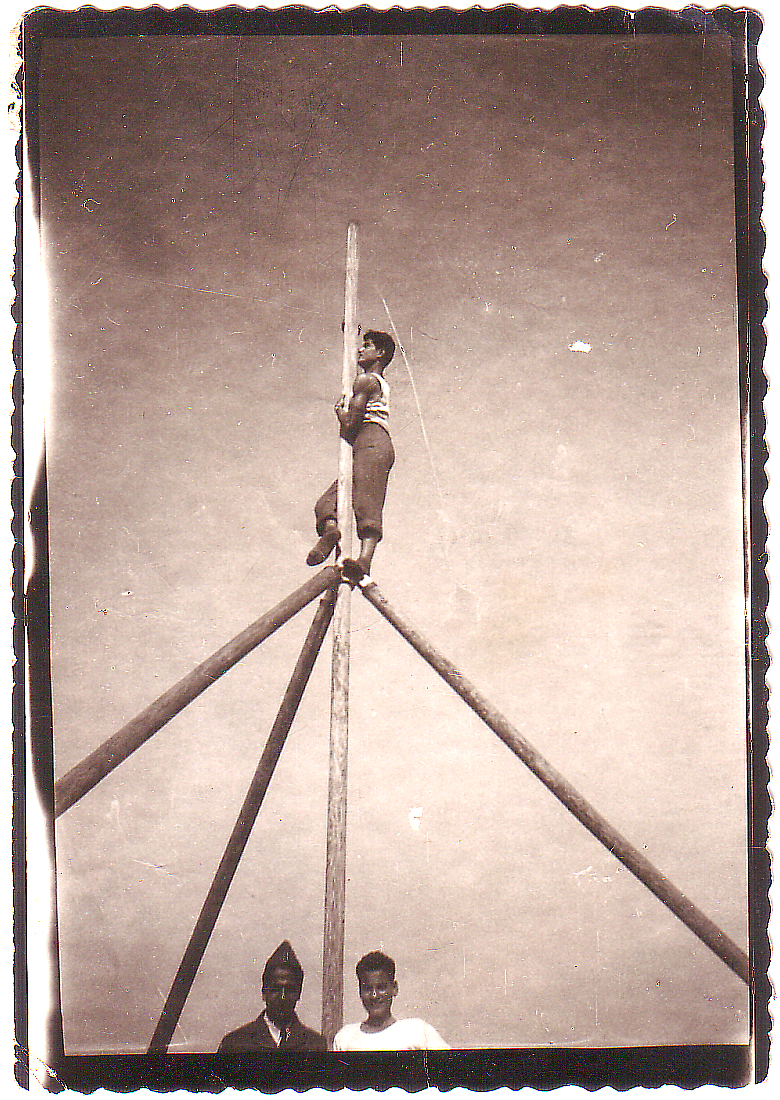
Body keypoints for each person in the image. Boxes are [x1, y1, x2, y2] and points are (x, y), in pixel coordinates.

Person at [307, 330, 396, 581]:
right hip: (365, 444)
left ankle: (364, 561)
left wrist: (340, 414)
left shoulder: (366, 381)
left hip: (373, 440)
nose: (360, 349)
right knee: (327, 503)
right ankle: (331, 532)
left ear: (380, 353)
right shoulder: (375, 382)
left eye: (367, 346)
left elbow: (352, 423)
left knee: (368, 501)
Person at [218, 941, 326, 1052]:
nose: (283, 997)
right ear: (264, 992)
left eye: (290, 989)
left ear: (299, 993)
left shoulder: (315, 1044)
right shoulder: (235, 1044)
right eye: (275, 989)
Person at [332, 950, 450, 1051]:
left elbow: (451, 1065)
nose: (374, 995)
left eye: (381, 988)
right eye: (367, 988)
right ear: (360, 991)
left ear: (394, 988)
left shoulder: (417, 1031)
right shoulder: (345, 1037)